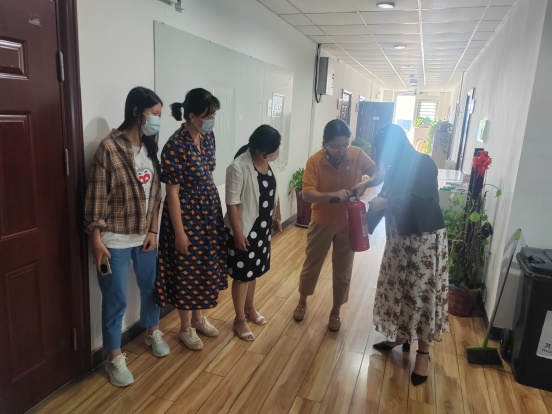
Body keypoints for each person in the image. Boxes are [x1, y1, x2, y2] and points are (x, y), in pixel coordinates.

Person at [84, 86, 170, 387]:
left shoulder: (150, 149)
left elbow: (156, 196)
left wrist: (153, 230)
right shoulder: (109, 148)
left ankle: (152, 331)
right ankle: (114, 356)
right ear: (137, 112)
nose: (157, 120)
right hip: (114, 240)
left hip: (145, 238)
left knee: (151, 287)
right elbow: (96, 197)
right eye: (154, 114)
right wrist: (96, 241)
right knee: (116, 298)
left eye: (159, 114)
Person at [355, 124, 449, 386]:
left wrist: (385, 202)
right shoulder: (397, 166)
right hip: (399, 240)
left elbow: (421, 199)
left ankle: (423, 354)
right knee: (398, 289)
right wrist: (367, 189)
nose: (384, 160)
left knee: (421, 294)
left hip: (423, 240)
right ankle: (401, 335)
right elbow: (386, 186)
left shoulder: (425, 163)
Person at [155, 88, 227, 351]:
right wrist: (180, 232)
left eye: (214, 114)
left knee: (203, 264)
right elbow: (172, 193)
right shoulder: (176, 145)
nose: (212, 120)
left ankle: (198, 318)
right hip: (185, 215)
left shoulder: (207, 137)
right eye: (209, 115)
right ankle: (185, 327)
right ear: (193, 116)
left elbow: (208, 171)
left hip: (207, 213)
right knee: (185, 267)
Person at [294, 119, 377, 331]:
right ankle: (302, 301)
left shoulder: (356, 154)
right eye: (335, 146)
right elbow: (306, 194)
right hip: (322, 221)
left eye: (344, 145)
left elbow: (378, 172)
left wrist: (367, 182)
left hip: (349, 223)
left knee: (343, 270)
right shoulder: (315, 161)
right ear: (325, 143)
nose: (341, 151)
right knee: (312, 264)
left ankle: (335, 311)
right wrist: (332, 195)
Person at [224, 125, 282, 341]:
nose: (278, 152)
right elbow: (232, 203)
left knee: (254, 271)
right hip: (245, 230)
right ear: (261, 151)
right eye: (275, 149)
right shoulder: (238, 167)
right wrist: (238, 234)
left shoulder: (268, 163)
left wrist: (277, 216)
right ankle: (239, 319)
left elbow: (274, 193)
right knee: (242, 276)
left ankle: (249, 308)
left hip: (262, 229)